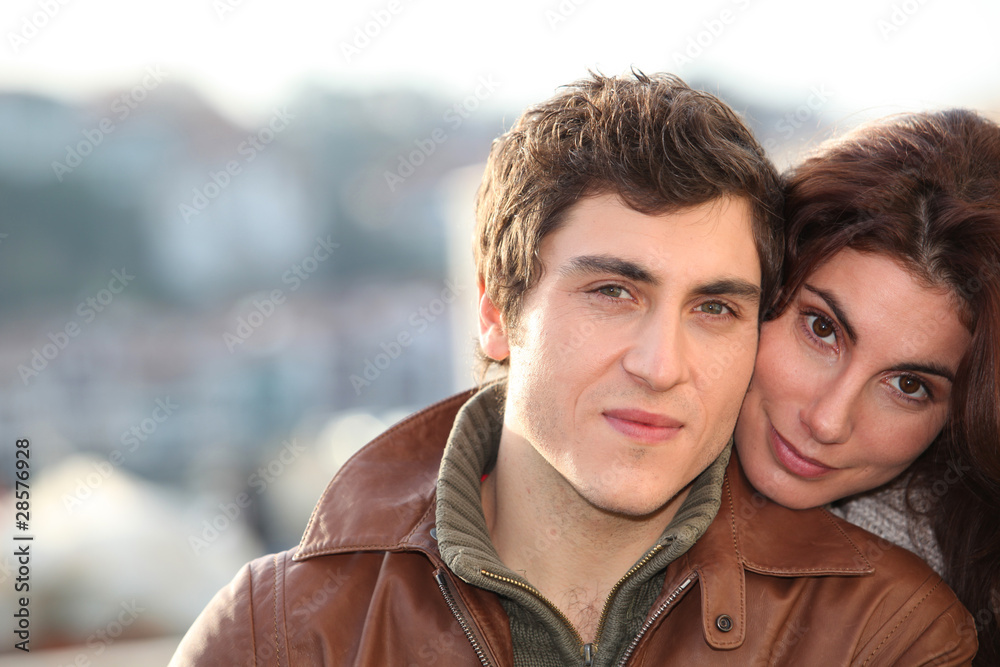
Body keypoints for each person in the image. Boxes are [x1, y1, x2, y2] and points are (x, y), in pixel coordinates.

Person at [170, 73, 976, 666]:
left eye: (715, 308)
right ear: (495, 311)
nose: (662, 365)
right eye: (613, 292)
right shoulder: (275, 630)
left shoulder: (885, 632)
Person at [735, 108, 1000, 665]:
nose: (828, 421)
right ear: (760, 282)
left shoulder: (932, 625)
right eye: (822, 328)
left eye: (908, 384)